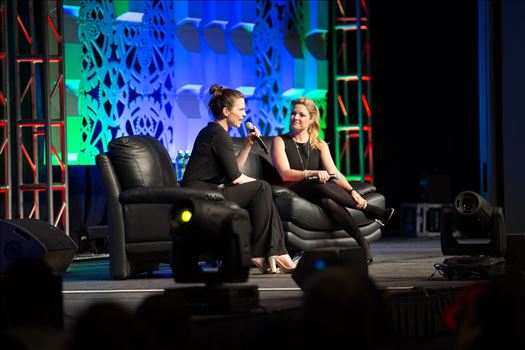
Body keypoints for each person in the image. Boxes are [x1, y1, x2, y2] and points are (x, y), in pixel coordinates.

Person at [181, 84, 295, 274]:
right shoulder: (218, 135)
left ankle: (275, 252)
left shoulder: (215, 132)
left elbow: (231, 171)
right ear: (226, 111)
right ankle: (264, 252)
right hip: (202, 195)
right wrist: (261, 185)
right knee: (262, 188)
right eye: (241, 109)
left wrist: (248, 144)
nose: (244, 114)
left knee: (263, 190)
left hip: (211, 192)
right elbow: (234, 178)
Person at [271, 97, 394, 264]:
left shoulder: (320, 144)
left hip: (316, 191)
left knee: (328, 201)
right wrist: (312, 173)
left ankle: (362, 242)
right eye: (293, 113)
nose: (295, 118)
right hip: (292, 189)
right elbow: (285, 174)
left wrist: (352, 191)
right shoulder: (280, 141)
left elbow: (334, 173)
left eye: (301, 115)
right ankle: (370, 210)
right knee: (317, 181)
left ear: (312, 119)